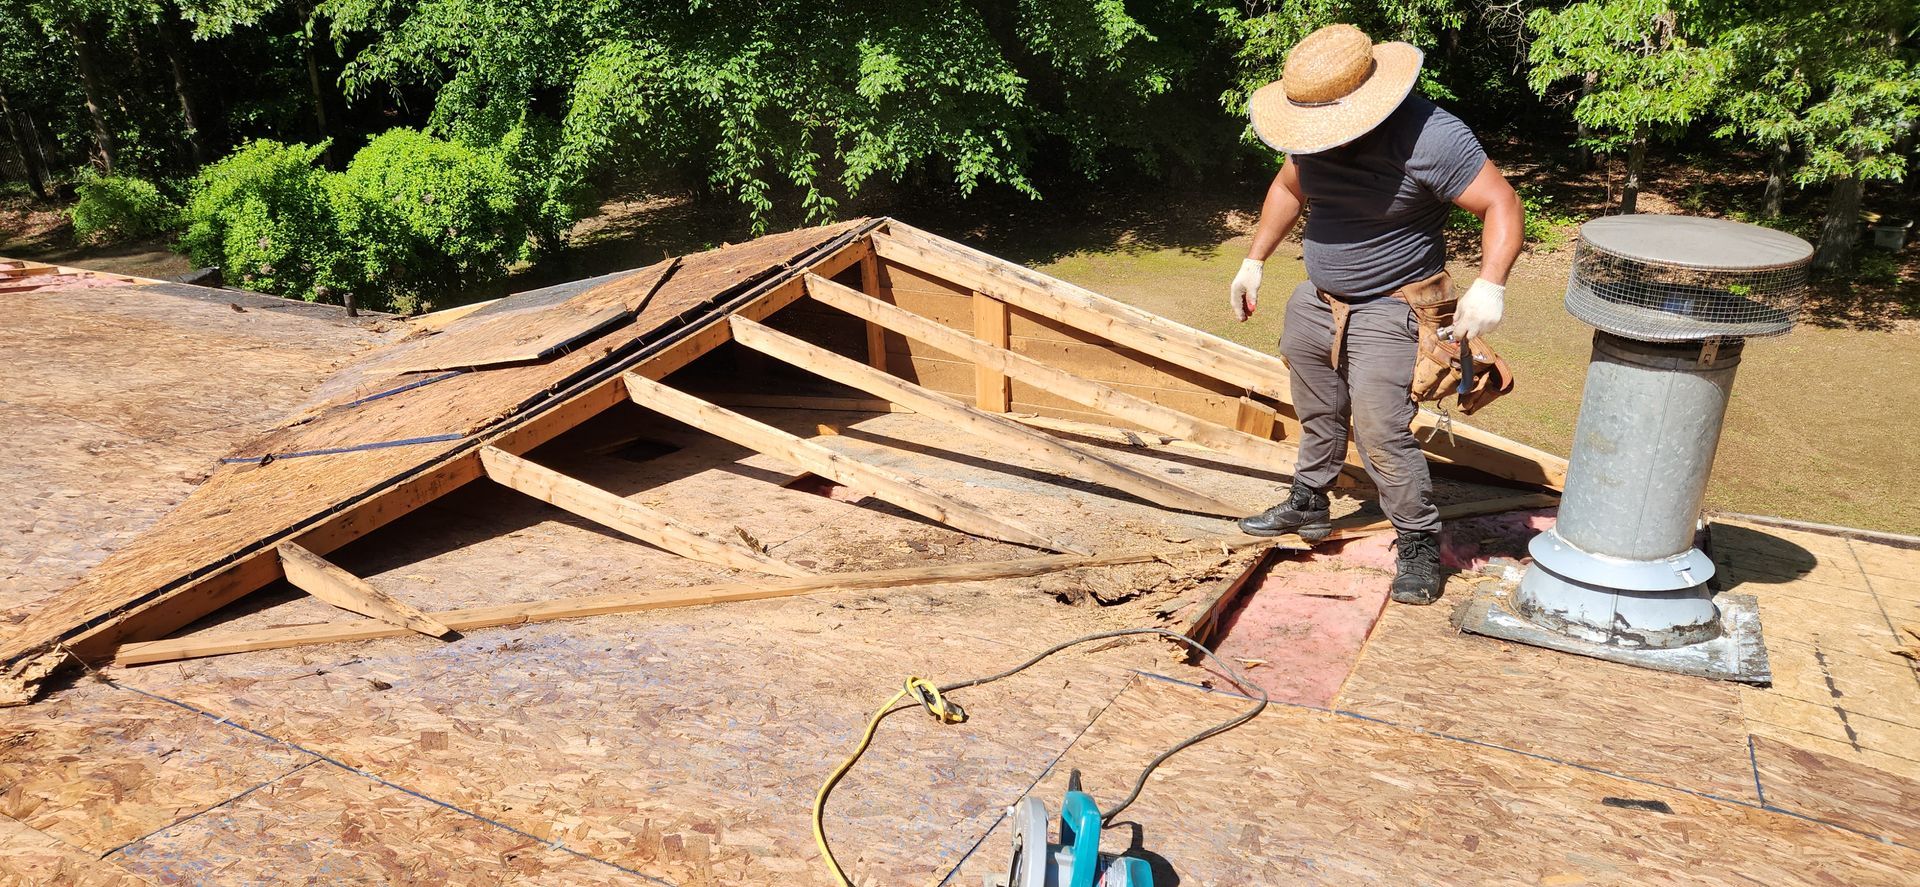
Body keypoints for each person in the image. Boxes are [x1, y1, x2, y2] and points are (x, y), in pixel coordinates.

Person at [1228, 24, 1524, 605]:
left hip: (1394, 307)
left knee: (1382, 430)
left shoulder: (1430, 136)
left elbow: (1501, 201)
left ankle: (1418, 543)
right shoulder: (1314, 128)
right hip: (1318, 299)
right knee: (1318, 407)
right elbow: (1290, 186)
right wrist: (1254, 259)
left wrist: (1490, 285)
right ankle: (1309, 501)